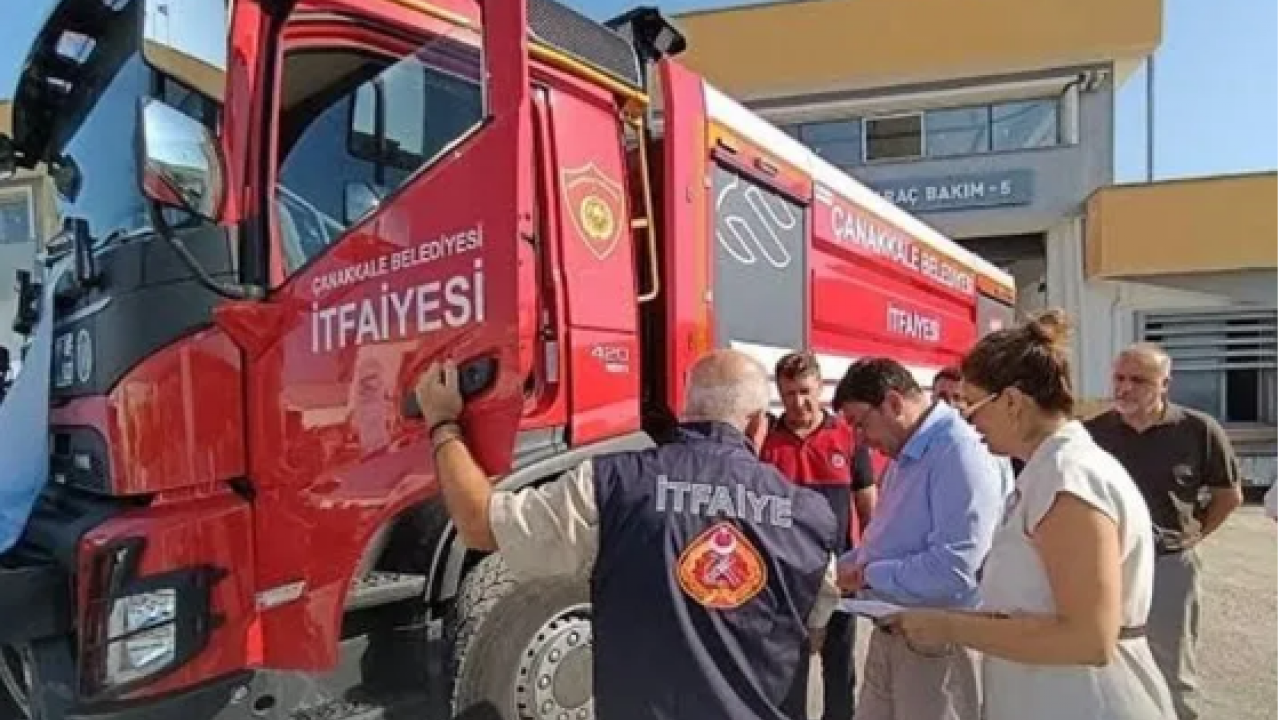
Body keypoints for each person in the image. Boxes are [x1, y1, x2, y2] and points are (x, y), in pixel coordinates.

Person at [415, 349, 843, 720]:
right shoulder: (812, 518)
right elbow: (815, 634)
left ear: (686, 412)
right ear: (755, 426)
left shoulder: (609, 485)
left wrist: (442, 424)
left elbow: (479, 524)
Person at [887, 310, 1176, 720]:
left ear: (1012, 401)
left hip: (1085, 703)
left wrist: (948, 627)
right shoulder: (1048, 470)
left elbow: (1088, 638)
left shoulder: (1067, 478)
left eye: (971, 407)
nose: (968, 423)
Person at [832, 357, 1008, 720]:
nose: (859, 439)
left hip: (937, 645)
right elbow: (882, 544)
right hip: (895, 633)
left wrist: (867, 576)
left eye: (861, 424)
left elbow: (957, 570)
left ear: (894, 403)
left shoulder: (960, 452)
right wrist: (832, 573)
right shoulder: (904, 454)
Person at [1084, 342, 1243, 720]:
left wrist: (1192, 537)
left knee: (1171, 667)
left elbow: (1228, 496)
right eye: (1119, 378)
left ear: (1164, 384)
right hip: (1108, 567)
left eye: (1138, 380)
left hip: (1169, 565)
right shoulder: (1093, 434)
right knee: (1105, 661)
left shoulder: (1198, 430)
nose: (1124, 388)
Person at [761, 351, 877, 720]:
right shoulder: (767, 443)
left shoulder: (847, 436)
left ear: (821, 387)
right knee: (788, 671)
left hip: (838, 573)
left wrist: (869, 560)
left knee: (839, 669)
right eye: (789, 393)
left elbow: (866, 502)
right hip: (786, 578)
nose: (798, 402)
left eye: (805, 391)